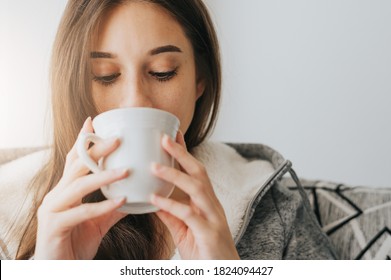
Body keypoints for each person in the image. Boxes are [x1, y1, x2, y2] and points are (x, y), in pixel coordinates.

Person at [5, 0, 337, 260]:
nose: (135, 100)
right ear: (73, 86)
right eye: (105, 75)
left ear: (200, 80)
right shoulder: (9, 213)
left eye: (162, 72)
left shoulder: (273, 207)